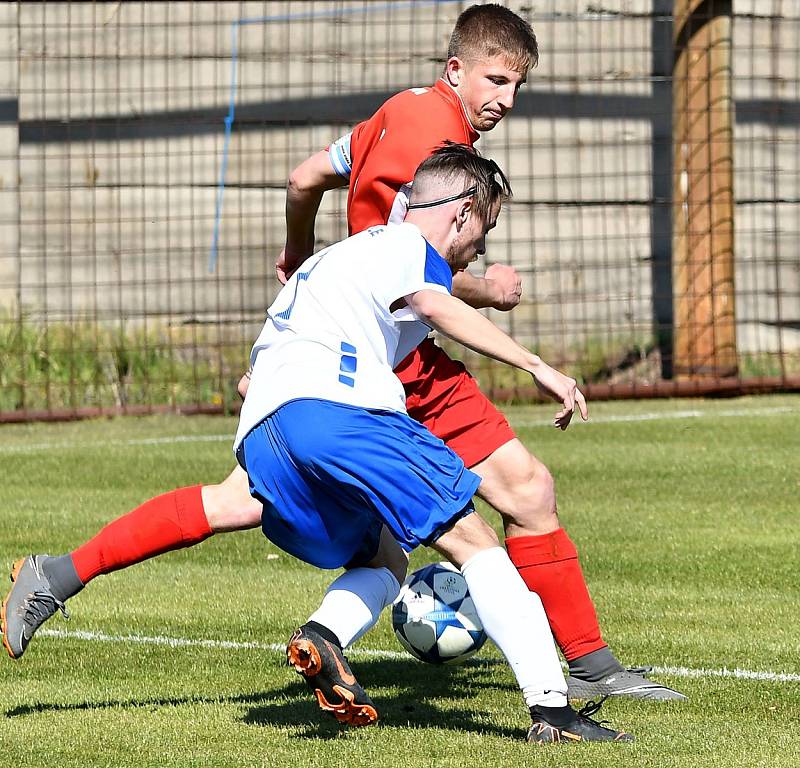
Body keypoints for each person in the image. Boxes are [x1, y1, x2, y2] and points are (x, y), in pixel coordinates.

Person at [2, 4, 684, 702]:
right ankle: (578, 681)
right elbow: (421, 282)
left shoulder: (388, 117)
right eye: (496, 80)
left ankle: (59, 576)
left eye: (516, 87)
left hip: (333, 354)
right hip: (390, 367)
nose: (504, 101)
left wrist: (299, 253)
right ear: (456, 69)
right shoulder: (437, 143)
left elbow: (304, 178)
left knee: (243, 503)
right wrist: (490, 294)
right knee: (506, 503)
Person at [238, 143, 630, 742]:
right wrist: (535, 364)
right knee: (476, 544)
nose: (479, 249)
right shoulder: (408, 250)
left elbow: (253, 372)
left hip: (264, 436)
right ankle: (554, 710)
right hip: (344, 416)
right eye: (485, 230)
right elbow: (432, 304)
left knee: (385, 558)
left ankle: (324, 635)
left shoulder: (338, 259)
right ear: (464, 211)